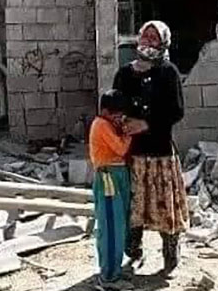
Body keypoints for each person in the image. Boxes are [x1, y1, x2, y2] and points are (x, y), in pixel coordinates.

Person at [113, 20, 188, 274]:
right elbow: (114, 106)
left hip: (160, 152)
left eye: (154, 38)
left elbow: (176, 111)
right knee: (133, 205)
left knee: (165, 206)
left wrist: (145, 123)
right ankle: (134, 252)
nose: (147, 42)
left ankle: (170, 254)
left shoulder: (168, 73)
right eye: (145, 37)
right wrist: (123, 122)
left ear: (163, 43)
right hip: (132, 153)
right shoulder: (124, 74)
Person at [89, 89, 133, 289]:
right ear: (105, 111)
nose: (119, 116)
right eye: (115, 113)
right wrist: (127, 132)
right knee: (110, 227)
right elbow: (121, 149)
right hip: (109, 177)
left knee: (119, 224)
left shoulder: (108, 123)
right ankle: (108, 276)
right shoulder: (101, 125)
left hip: (118, 175)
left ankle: (114, 267)